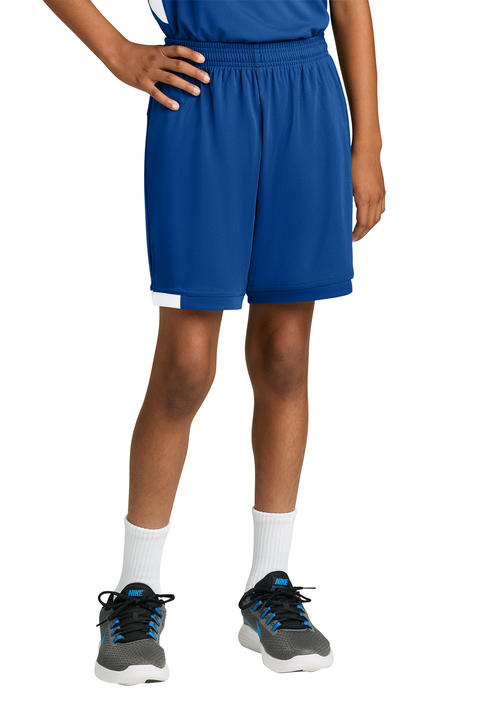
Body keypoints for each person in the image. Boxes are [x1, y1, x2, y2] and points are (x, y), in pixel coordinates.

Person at [43, 0, 385, 685]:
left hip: (305, 94)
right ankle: (135, 591)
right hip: (201, 95)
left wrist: (367, 144)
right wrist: (118, 52)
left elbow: (350, 7)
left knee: (285, 355)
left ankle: (269, 587)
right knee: (186, 366)